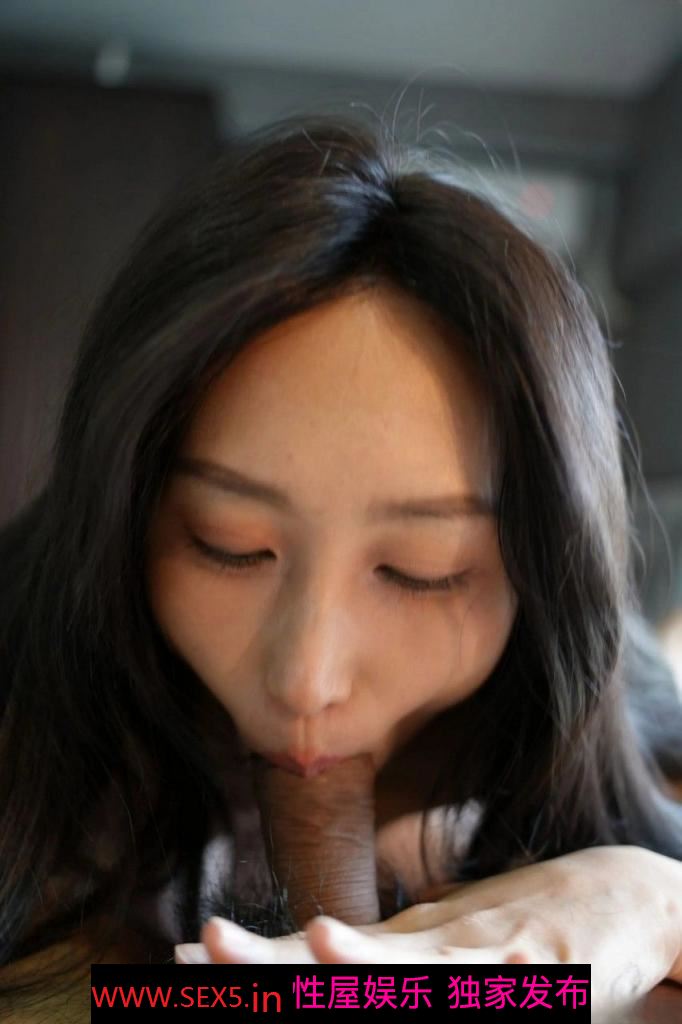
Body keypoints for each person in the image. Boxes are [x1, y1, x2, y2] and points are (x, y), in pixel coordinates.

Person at [1, 114, 681, 1021]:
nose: (305, 679)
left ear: (540, 576)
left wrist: (647, 899)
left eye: (421, 570)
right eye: (228, 544)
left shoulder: (619, 709)